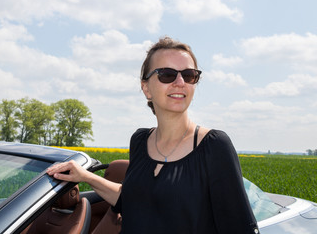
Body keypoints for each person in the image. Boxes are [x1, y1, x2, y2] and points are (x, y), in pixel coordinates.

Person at [47, 36, 260, 234]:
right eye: (167, 74)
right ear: (146, 88)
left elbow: (240, 228)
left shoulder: (214, 146)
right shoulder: (140, 141)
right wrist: (84, 176)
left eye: (189, 75)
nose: (180, 82)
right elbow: (131, 199)